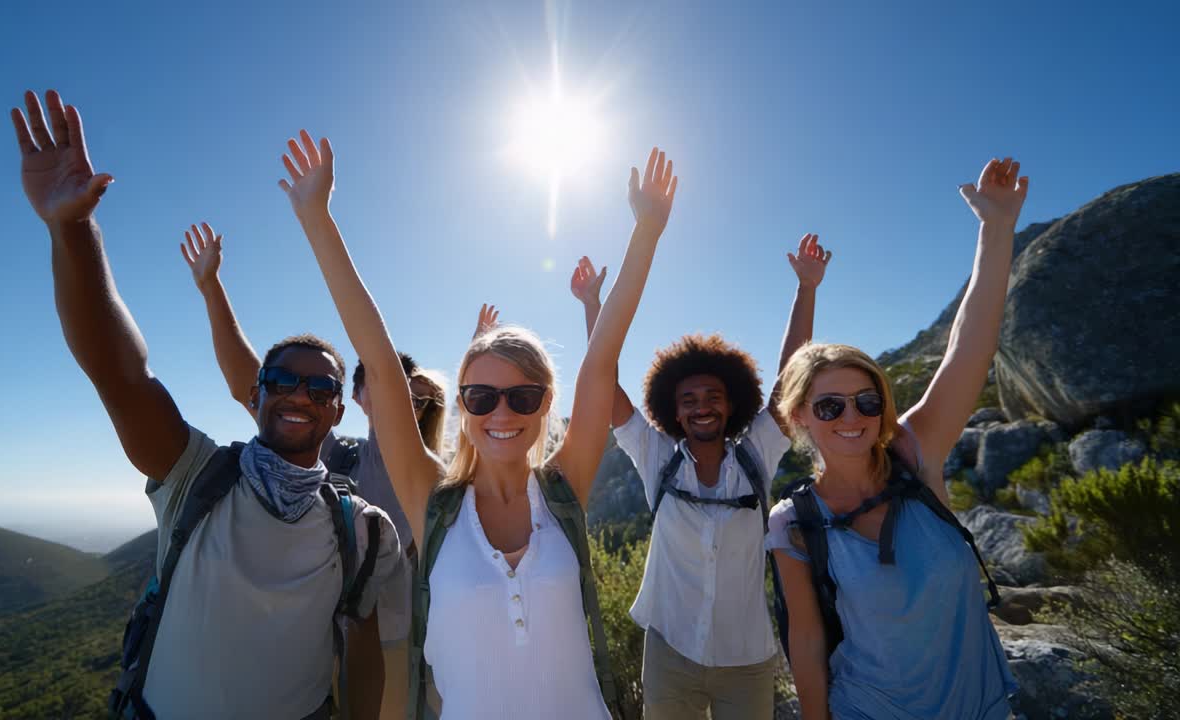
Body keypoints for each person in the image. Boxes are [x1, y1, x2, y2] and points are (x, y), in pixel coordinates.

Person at [11, 89, 401, 719]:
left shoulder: (361, 530)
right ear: (257, 392)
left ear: (338, 411)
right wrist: (72, 229)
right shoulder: (198, 475)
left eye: (322, 388)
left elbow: (363, 648)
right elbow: (121, 375)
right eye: (281, 378)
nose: (299, 394)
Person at [277, 128, 677, 718]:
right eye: (482, 396)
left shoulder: (563, 491)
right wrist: (317, 218)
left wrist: (646, 233)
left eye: (523, 396)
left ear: (546, 404)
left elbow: (601, 362)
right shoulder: (433, 501)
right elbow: (381, 366)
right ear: (462, 407)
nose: (502, 413)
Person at [765, 158, 1028, 719]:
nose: (852, 417)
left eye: (867, 401)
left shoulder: (913, 454)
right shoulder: (793, 521)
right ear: (801, 415)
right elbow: (806, 641)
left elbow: (970, 349)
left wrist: (996, 229)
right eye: (829, 406)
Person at [179, 221, 447, 720]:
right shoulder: (334, 451)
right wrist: (211, 288)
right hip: (320, 640)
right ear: (355, 401)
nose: (398, 399)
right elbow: (249, 384)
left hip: (388, 642)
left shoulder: (415, 464)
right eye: (385, 386)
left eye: (411, 395)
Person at [569, 233, 832, 719]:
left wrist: (806, 289)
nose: (701, 408)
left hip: (746, 658)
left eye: (713, 397)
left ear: (732, 405)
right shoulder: (656, 457)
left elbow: (791, 379)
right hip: (669, 652)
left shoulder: (756, 456)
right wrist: (592, 307)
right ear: (674, 411)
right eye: (688, 400)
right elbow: (605, 384)